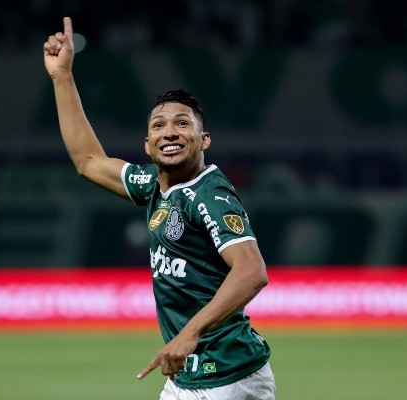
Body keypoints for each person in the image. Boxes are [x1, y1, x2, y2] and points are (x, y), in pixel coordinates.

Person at [44, 17, 275, 399]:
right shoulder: (154, 183)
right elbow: (88, 161)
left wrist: (189, 334)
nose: (169, 132)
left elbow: (252, 271)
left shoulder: (210, 195)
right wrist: (62, 77)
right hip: (188, 374)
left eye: (182, 124)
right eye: (159, 126)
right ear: (148, 144)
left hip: (227, 376)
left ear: (204, 139)